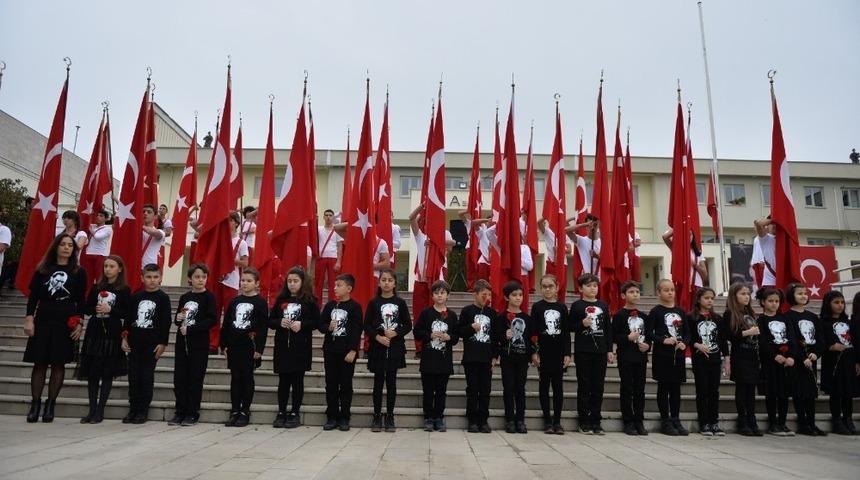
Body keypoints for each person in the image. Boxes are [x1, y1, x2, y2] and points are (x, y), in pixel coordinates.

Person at [22, 233, 87, 423]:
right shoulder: (44, 269)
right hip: (43, 319)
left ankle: (51, 405)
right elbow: (34, 297)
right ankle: (35, 404)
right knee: (39, 363)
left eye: (70, 245)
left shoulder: (78, 271)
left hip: (65, 322)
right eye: (63, 244)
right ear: (56, 247)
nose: (66, 248)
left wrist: (80, 323)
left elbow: (81, 300)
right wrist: (29, 319)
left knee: (58, 364)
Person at [77, 255, 130, 424]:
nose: (108, 269)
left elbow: (126, 312)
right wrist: (95, 308)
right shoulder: (96, 287)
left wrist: (111, 309)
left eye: (112, 266)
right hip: (95, 331)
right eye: (106, 266)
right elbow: (86, 308)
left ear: (119, 269)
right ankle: (91, 410)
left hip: (112, 332)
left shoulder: (124, 289)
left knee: (107, 373)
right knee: (93, 374)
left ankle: (100, 410)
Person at [270, 267, 320, 428]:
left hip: (301, 346)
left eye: (295, 281)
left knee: (297, 380)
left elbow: (317, 322)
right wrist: (279, 322)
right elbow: (270, 321)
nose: (292, 284)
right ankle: (281, 411)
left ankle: (295, 412)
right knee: (283, 380)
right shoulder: (280, 300)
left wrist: (302, 324)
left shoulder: (310, 300)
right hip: (283, 345)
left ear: (302, 282)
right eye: (289, 281)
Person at [122, 263, 171, 424]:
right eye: (148, 277)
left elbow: (166, 322)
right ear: (142, 278)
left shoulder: (163, 298)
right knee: (133, 377)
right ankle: (133, 409)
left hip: (152, 345)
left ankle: (143, 410)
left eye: (155, 277)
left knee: (146, 376)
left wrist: (163, 343)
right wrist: (124, 338)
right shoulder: (136, 297)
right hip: (135, 343)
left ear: (161, 278)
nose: (152, 280)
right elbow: (128, 320)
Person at [169, 263, 217, 426]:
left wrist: (193, 329)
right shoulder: (185, 297)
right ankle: (180, 410)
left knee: (195, 378)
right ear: (190, 279)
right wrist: (178, 320)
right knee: (180, 378)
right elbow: (177, 318)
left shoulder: (209, 297)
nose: (200, 280)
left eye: (203, 277)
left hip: (199, 343)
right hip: (182, 342)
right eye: (197, 277)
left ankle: (192, 412)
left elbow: (212, 320)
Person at [365, 269, 412, 432]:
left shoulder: (400, 303)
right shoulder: (373, 303)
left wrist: (396, 332)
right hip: (378, 346)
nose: (386, 282)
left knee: (391, 382)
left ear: (394, 283)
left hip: (395, 347)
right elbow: (367, 325)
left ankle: (390, 416)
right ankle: (377, 415)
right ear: (379, 282)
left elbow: (408, 325)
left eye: (390, 280)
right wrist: (377, 337)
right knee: (378, 382)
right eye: (383, 279)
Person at [221, 267, 268, 427]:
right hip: (234, 345)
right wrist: (224, 344)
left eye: (249, 281)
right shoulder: (235, 301)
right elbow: (227, 323)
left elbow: (263, 328)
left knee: (247, 377)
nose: (245, 283)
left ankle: (245, 411)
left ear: (257, 283)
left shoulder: (260, 302)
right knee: (235, 377)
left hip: (250, 346)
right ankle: (234, 410)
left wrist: (259, 349)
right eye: (243, 280)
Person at [570, 273, 613, 435]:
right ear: (581, 288)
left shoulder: (603, 305)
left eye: (595, 285)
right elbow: (570, 326)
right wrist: (582, 323)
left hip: (600, 351)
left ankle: (596, 420)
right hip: (583, 351)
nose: (592, 288)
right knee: (584, 386)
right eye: (588, 286)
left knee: (598, 387)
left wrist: (609, 350)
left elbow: (608, 329)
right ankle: (584, 421)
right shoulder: (577, 306)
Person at [413, 279, 459, 433]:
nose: (440, 296)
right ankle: (428, 417)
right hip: (428, 360)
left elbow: (456, 337)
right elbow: (417, 332)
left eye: (443, 293)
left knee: (441, 390)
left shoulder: (451, 315)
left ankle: (439, 417)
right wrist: (430, 334)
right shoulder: (426, 313)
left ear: (448, 295)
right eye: (436, 293)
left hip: (444, 361)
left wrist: (449, 337)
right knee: (428, 390)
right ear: (432, 296)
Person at [319, 273, 363, 431]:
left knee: (345, 384)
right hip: (330, 350)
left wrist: (353, 350)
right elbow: (321, 324)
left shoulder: (355, 307)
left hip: (346, 352)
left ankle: (344, 416)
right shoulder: (330, 306)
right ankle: (332, 415)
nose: (335, 288)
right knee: (330, 384)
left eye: (339, 285)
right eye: (335, 285)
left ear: (349, 288)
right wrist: (327, 327)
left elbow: (357, 330)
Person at [647, 279, 690, 436]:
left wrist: (684, 343)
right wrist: (662, 340)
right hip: (662, 355)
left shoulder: (681, 311)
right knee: (663, 387)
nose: (670, 292)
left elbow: (687, 333)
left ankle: (675, 418)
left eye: (672, 289)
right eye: (666, 290)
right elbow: (649, 332)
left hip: (678, 356)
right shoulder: (656, 311)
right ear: (659, 292)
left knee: (676, 388)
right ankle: (665, 420)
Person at [784, 283, 826, 436]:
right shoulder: (788, 316)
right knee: (799, 392)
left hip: (811, 359)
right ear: (791, 296)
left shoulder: (812, 317)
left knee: (810, 393)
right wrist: (802, 357)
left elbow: (820, 339)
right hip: (797, 360)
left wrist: (816, 354)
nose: (803, 296)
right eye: (799, 293)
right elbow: (792, 339)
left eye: (805, 293)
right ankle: (803, 423)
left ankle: (812, 423)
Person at [531, 274, 571, 435]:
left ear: (557, 288)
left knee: (558, 387)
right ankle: (547, 421)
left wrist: (567, 353)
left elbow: (566, 332)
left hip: (559, 352)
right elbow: (533, 332)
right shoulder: (537, 307)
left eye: (550, 286)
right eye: (544, 286)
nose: (547, 289)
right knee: (544, 386)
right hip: (543, 352)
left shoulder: (562, 308)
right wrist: (534, 352)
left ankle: (557, 421)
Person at [611, 280, 651, 436]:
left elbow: (649, 337)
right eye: (631, 292)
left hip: (640, 357)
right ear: (623, 295)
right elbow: (614, 337)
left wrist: (648, 345)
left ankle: (639, 420)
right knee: (627, 388)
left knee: (640, 389)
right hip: (626, 357)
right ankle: (628, 421)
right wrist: (627, 337)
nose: (635, 294)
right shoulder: (619, 315)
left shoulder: (643, 316)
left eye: (637, 292)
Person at [688, 287, 728, 436]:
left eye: (712, 298)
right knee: (702, 391)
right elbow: (688, 337)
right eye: (706, 298)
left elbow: (722, 340)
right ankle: (703, 422)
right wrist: (697, 345)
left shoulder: (717, 318)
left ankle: (714, 422)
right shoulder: (691, 317)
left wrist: (727, 359)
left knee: (714, 392)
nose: (710, 301)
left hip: (715, 359)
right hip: (700, 360)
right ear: (699, 299)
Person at [458, 279, 497, 433]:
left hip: (486, 358)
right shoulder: (467, 311)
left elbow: (495, 337)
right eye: (483, 294)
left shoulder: (492, 313)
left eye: (489, 294)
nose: (486, 297)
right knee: (473, 389)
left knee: (485, 389)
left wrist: (495, 356)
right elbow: (460, 332)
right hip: (471, 357)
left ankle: (483, 419)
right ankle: (472, 419)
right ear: (475, 294)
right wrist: (471, 328)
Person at [757, 287, 796, 436]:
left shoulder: (785, 319)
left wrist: (792, 356)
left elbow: (792, 338)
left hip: (787, 362)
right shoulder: (761, 320)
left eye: (777, 301)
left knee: (784, 394)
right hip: (770, 362)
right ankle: (773, 423)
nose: (774, 304)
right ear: (763, 302)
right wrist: (774, 355)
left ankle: (782, 423)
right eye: (770, 301)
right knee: (772, 393)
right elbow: (763, 341)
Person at [724, 282, 763, 436]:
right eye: (742, 294)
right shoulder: (730, 314)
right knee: (742, 389)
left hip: (752, 356)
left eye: (748, 294)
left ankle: (752, 419)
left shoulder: (751, 313)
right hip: (740, 356)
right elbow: (729, 336)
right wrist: (747, 333)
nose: (746, 297)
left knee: (751, 390)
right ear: (734, 296)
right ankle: (743, 420)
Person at [495, 280, 533, 434]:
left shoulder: (527, 318)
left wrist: (532, 354)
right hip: (508, 358)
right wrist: (505, 336)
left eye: (520, 295)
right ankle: (510, 419)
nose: (518, 298)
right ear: (506, 297)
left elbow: (531, 338)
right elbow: (497, 338)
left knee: (520, 388)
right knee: (509, 388)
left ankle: (520, 419)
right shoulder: (501, 317)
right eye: (514, 295)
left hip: (522, 358)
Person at [211, 211, 250, 352]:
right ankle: (213, 343)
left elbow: (245, 263)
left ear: (236, 223)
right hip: (217, 280)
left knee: (229, 313)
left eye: (230, 220)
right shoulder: (219, 240)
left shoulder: (242, 242)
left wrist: (230, 260)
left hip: (231, 282)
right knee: (215, 312)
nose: (227, 223)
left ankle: (226, 343)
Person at [820, 290, 857, 435]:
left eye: (842, 302)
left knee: (848, 392)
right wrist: (830, 346)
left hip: (848, 361)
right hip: (833, 362)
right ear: (828, 304)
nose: (840, 305)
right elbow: (819, 342)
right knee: (836, 391)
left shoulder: (848, 322)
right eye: (836, 302)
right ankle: (837, 420)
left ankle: (848, 418)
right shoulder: (823, 322)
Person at [314, 209, 343, 302]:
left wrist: (338, 262)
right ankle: (317, 305)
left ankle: (333, 303)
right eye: (326, 215)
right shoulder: (318, 229)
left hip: (333, 258)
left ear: (333, 217)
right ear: (323, 217)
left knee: (333, 283)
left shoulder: (337, 230)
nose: (328, 217)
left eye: (330, 215)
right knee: (318, 282)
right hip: (321, 258)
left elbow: (340, 247)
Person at [81, 209, 112, 291]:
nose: (98, 217)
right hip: (88, 253)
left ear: (106, 219)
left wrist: (90, 230)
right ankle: (87, 296)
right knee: (88, 278)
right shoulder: (92, 226)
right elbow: (83, 221)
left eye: (101, 216)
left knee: (99, 277)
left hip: (100, 255)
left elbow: (98, 237)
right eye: (97, 215)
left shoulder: (107, 229)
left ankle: (99, 294)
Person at [752, 217, 777, 288]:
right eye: (772, 224)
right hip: (761, 264)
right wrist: (775, 218)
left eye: (776, 224)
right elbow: (759, 224)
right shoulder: (765, 237)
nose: (774, 225)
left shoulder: (787, 240)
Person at [141, 205, 166, 269]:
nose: (145, 213)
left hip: (149, 269)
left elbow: (155, 233)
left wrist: (140, 225)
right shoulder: (136, 230)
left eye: (149, 212)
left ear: (155, 216)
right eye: (143, 211)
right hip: (134, 266)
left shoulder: (161, 232)